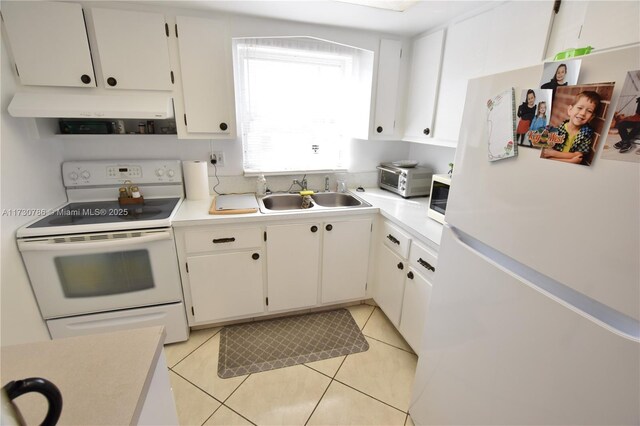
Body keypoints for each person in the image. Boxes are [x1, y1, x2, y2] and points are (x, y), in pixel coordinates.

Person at [541, 91, 601, 165]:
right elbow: (546, 155)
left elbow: (578, 156)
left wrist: (554, 154)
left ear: (591, 117)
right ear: (570, 110)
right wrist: (572, 160)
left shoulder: (586, 133)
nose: (583, 113)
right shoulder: (556, 131)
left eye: (589, 111)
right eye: (579, 108)